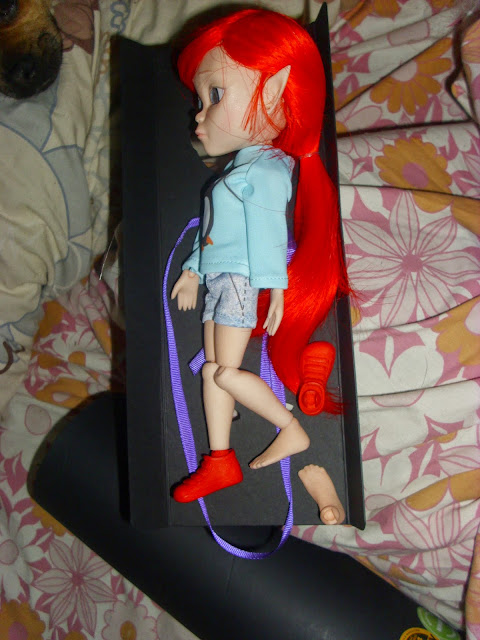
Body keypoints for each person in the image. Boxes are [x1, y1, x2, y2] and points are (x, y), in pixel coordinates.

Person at [171, 8, 349, 503]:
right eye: (200, 99)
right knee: (213, 371)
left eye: (215, 95)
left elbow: (269, 232)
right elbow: (215, 234)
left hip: (239, 282)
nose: (199, 114)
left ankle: (290, 429)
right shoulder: (242, 170)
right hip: (219, 278)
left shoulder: (266, 170)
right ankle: (220, 461)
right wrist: (191, 270)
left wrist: (275, 287)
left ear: (273, 93)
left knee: (224, 372)